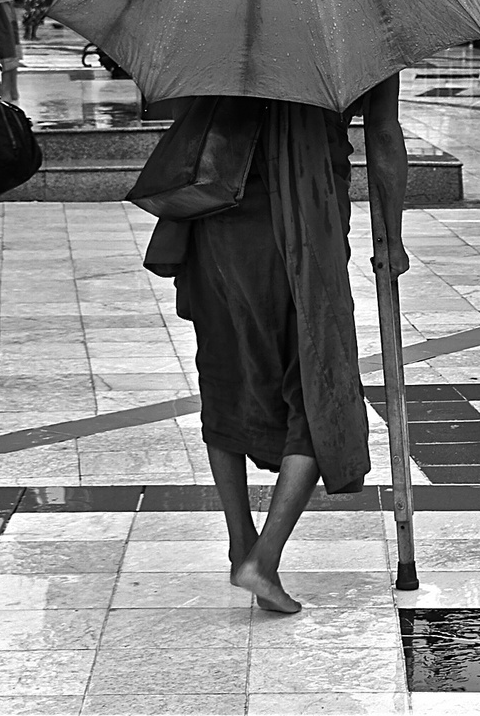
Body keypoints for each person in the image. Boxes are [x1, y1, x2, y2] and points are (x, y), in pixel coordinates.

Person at [149, 79, 408, 614]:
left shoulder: (220, 18)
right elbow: (383, 132)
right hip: (305, 227)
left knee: (226, 375)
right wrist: (395, 237)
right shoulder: (356, 27)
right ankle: (262, 560)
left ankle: (241, 542)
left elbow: (180, 105)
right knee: (320, 382)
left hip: (216, 219)